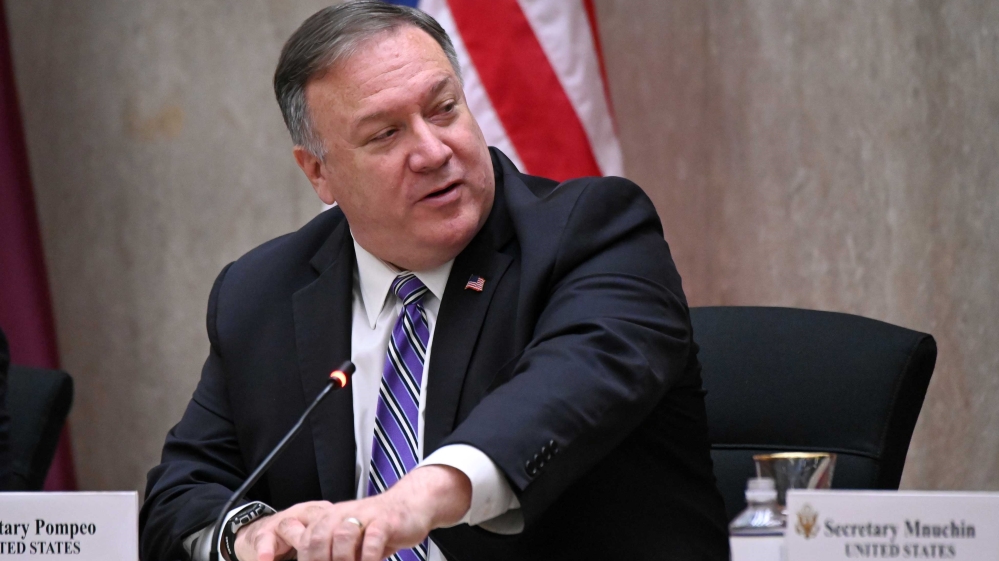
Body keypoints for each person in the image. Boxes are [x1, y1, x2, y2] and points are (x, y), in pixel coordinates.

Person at [140, 2, 729, 561]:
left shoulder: (595, 232)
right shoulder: (259, 292)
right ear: (318, 172)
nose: (432, 150)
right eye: (386, 134)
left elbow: (572, 386)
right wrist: (250, 534)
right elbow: (180, 494)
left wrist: (411, 504)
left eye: (444, 109)